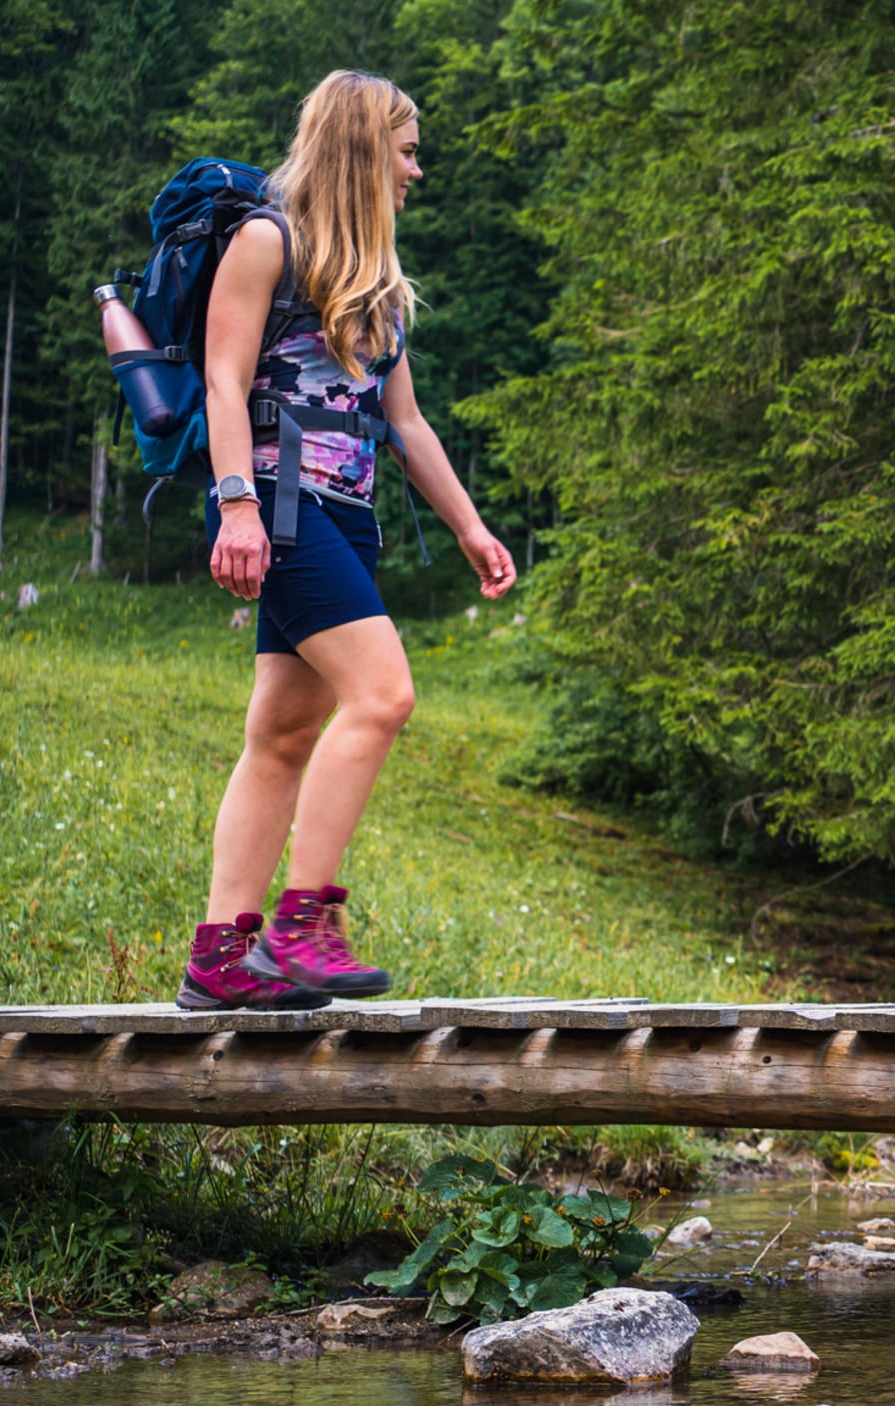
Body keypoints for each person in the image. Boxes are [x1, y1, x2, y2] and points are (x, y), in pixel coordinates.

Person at [177, 70, 516, 1011]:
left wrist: (470, 527)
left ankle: (220, 956)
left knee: (282, 732)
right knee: (383, 693)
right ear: (364, 148)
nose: (415, 170)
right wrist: (236, 505)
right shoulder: (265, 242)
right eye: (406, 150)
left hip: (347, 518)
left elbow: (406, 426)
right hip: (279, 506)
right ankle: (303, 923)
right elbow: (222, 380)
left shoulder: (381, 287)